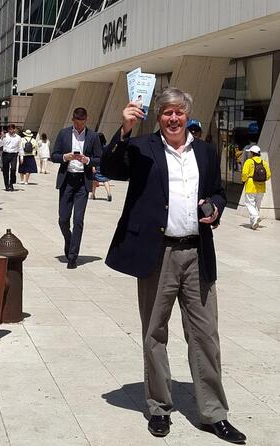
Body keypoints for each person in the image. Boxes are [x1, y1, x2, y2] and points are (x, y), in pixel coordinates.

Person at [100, 87, 246, 444]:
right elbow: (110, 168)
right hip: (157, 254)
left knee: (205, 336)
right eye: (167, 112)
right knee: (154, 333)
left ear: (188, 115)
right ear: (159, 116)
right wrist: (124, 130)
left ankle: (213, 413)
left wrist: (213, 208)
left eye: (179, 112)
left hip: (197, 252)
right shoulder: (142, 147)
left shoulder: (207, 152)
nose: (173, 118)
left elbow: (215, 192)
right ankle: (159, 408)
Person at [51, 107, 102, 269]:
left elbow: (99, 158)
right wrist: (65, 157)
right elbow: (54, 155)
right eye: (76, 122)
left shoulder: (93, 136)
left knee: (78, 220)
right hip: (67, 180)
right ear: (72, 120)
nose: (79, 125)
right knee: (63, 219)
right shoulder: (64, 133)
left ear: (86, 121)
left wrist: (87, 160)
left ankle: (73, 256)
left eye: (82, 122)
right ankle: (69, 239)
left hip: (82, 181)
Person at [241, 144, 271, 229]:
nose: (249, 154)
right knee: (257, 205)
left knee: (249, 203)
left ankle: (255, 216)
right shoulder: (264, 162)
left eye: (250, 152)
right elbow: (268, 175)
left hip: (251, 186)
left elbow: (244, 174)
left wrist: (244, 180)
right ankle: (254, 223)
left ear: (252, 153)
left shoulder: (249, 162)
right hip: (261, 187)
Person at [91, 133, 112, 201]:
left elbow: (93, 157)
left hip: (97, 165)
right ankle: (109, 193)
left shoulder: (95, 147)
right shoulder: (106, 147)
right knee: (105, 180)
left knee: (94, 180)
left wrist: (93, 167)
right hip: (105, 165)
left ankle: (93, 194)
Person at [1, 124, 21, 191]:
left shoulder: (18, 137)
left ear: (14, 129)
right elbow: (0, 145)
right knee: (5, 170)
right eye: (9, 129)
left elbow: (20, 147)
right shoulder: (4, 136)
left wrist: (21, 156)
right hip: (6, 154)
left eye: (12, 129)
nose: (10, 131)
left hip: (14, 155)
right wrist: (2, 138)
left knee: (13, 169)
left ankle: (11, 183)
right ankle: (6, 185)